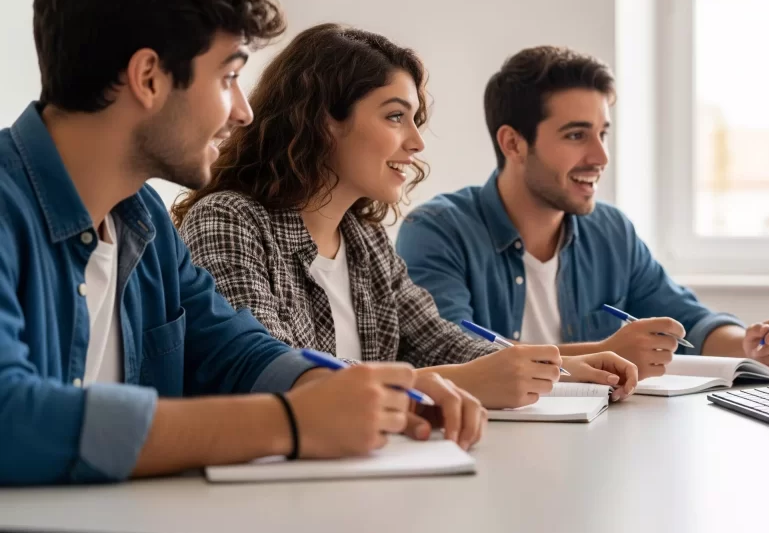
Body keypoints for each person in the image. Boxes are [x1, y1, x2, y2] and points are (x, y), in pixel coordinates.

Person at [0, 0, 482, 487]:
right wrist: (291, 422)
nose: (244, 112)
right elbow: (11, 418)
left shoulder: (144, 220)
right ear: (149, 78)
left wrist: (358, 393)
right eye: (228, 77)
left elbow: (236, 351)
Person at [173, 25, 638, 410]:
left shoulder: (364, 240)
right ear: (322, 121)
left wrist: (555, 367)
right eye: (396, 117)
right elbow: (272, 374)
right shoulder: (229, 221)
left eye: (416, 119)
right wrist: (465, 381)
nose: (416, 142)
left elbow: (442, 342)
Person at [396, 46, 769, 380]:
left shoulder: (611, 231)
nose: (600, 156)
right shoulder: (436, 230)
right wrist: (606, 352)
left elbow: (688, 322)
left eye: (602, 133)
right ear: (513, 144)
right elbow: (448, 355)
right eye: (576, 135)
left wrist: (749, 346)